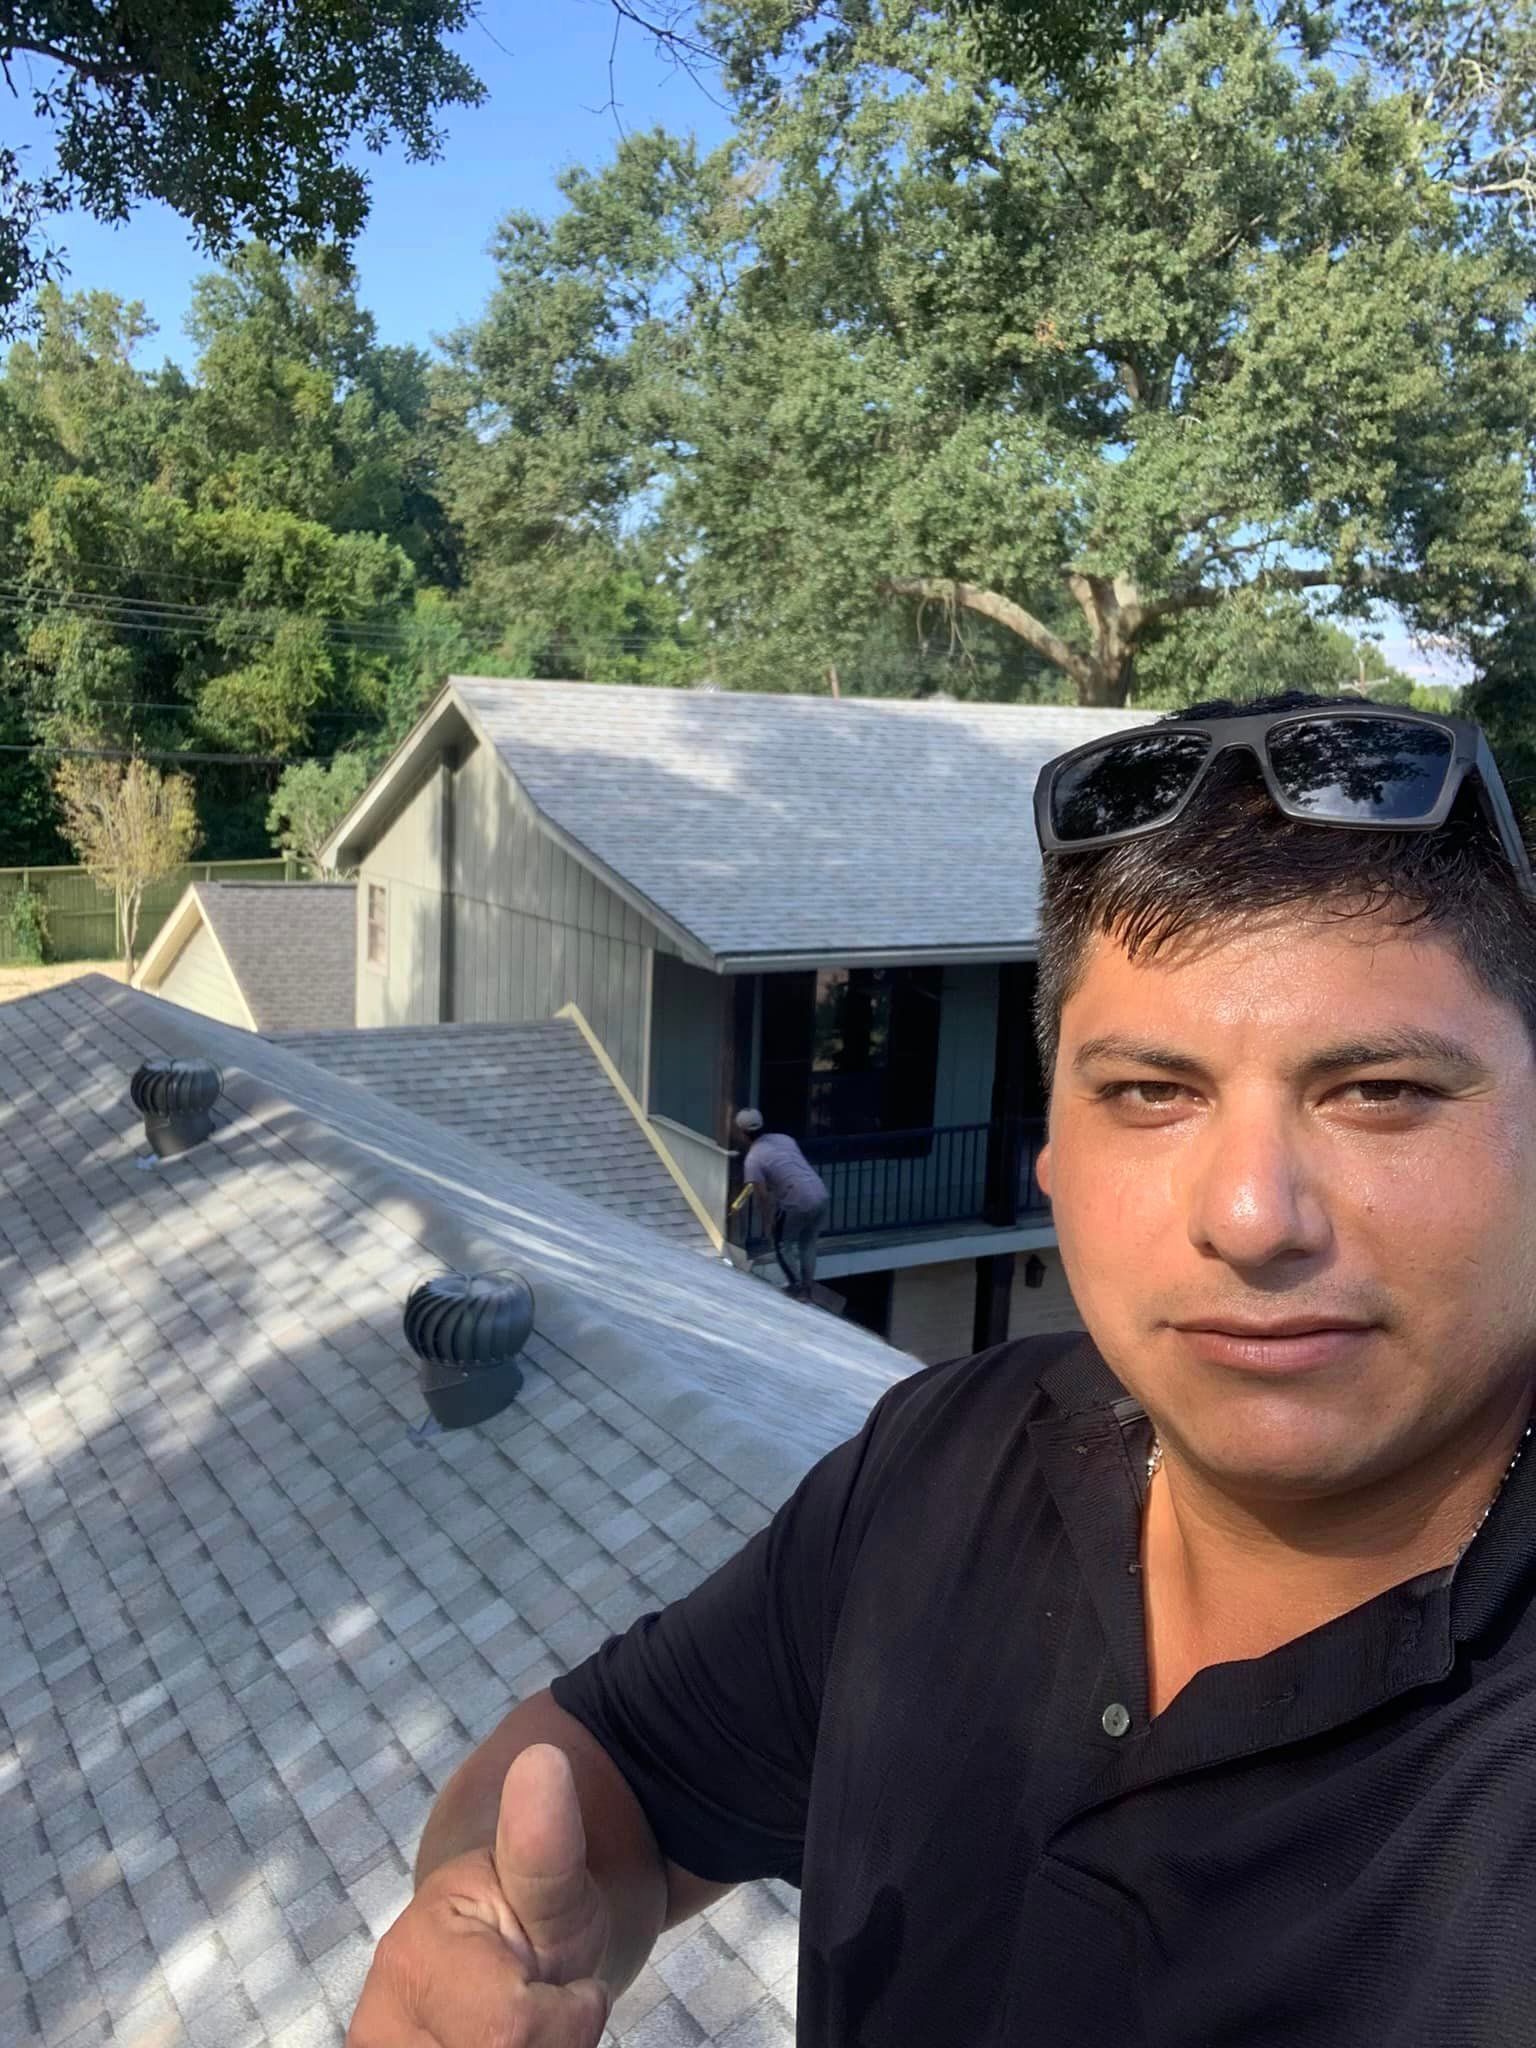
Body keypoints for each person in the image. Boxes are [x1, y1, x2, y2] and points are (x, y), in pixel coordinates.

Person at [348, 692, 1536, 2048]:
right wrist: (491, 1923)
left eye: (1379, 1090)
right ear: (1057, 1159)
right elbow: (614, 1766)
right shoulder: (946, 1463)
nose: (1254, 1215)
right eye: (1151, 1091)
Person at [732, 1107, 830, 1301]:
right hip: (821, 1193)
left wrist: (768, 1225)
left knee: (782, 1243)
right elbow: (788, 1166)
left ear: (743, 1133)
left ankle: (798, 1289)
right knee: (808, 1242)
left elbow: (762, 1197)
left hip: (798, 1199)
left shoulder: (753, 1159)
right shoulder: (785, 1139)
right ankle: (808, 1287)